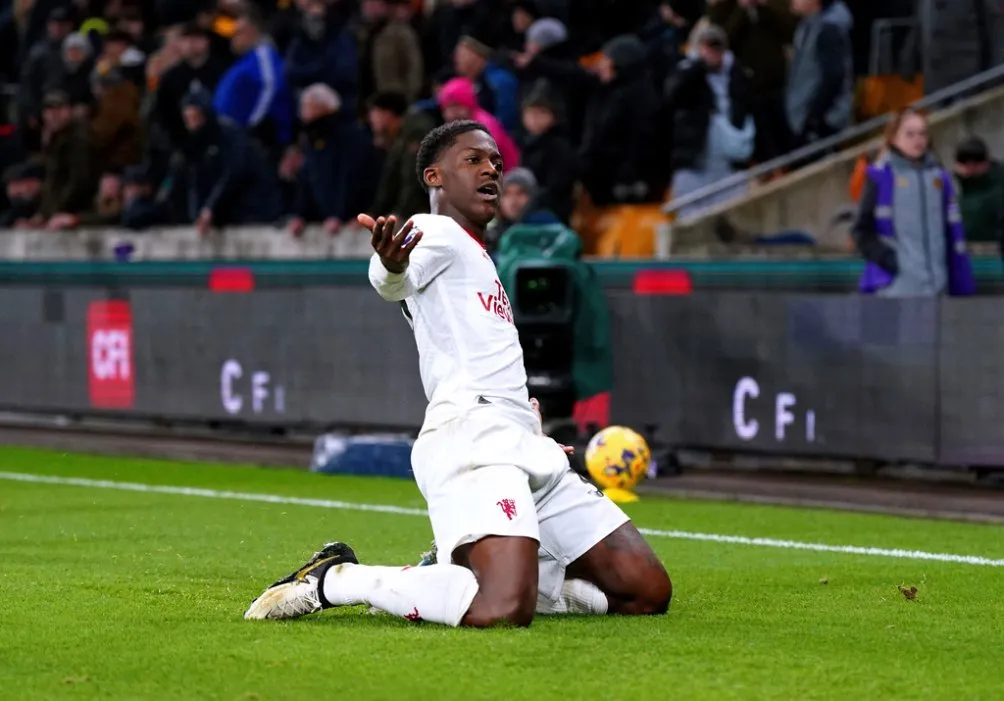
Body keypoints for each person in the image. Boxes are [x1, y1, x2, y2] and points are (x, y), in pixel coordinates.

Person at [245, 121, 672, 628]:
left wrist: (526, 419)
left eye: (495, 160)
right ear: (435, 176)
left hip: (519, 439)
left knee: (644, 590)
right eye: (473, 159)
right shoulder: (438, 234)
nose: (491, 167)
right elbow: (393, 278)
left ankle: (461, 576)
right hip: (473, 439)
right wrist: (388, 264)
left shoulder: (479, 254)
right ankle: (335, 580)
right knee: (502, 609)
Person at [853, 108, 975, 297]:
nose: (917, 140)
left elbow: (951, 231)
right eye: (910, 134)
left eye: (922, 134)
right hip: (896, 288)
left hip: (937, 287)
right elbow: (861, 230)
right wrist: (889, 260)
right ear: (893, 138)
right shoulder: (880, 176)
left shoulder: (940, 178)